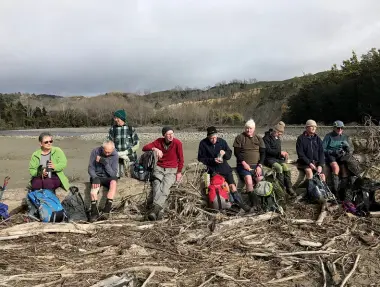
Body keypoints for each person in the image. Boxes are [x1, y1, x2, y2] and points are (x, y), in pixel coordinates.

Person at [198, 126, 251, 212]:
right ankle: (222, 206)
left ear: (217, 135)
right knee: (216, 188)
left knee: (233, 187)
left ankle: (242, 206)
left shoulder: (222, 142)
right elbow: (200, 159)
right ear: (208, 137)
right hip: (212, 170)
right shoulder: (203, 143)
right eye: (211, 138)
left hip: (225, 169)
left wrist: (225, 153)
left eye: (215, 137)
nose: (214, 140)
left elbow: (229, 155)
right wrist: (213, 160)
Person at [142, 126, 184, 221]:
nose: (170, 136)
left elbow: (181, 159)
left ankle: (155, 209)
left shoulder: (177, 143)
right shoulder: (159, 141)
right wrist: (155, 149)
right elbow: (144, 148)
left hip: (171, 169)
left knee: (166, 188)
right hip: (159, 168)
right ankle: (160, 212)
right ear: (164, 135)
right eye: (168, 134)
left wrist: (179, 172)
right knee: (156, 186)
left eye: (172, 134)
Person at [233, 119, 266, 206]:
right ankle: (254, 204)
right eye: (247, 128)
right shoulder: (240, 138)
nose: (248, 130)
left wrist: (260, 166)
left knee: (260, 180)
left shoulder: (258, 138)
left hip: (256, 166)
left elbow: (263, 153)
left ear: (254, 129)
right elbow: (237, 152)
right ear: (245, 128)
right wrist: (244, 163)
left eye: (250, 128)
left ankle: (262, 202)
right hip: (242, 165)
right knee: (248, 180)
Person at [322, 120, 355, 198]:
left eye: (341, 128)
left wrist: (347, 149)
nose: (340, 129)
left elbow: (351, 149)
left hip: (341, 155)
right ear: (334, 128)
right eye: (338, 128)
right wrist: (332, 151)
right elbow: (322, 149)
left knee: (345, 170)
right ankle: (335, 190)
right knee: (336, 167)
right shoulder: (328, 136)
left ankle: (343, 190)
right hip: (331, 155)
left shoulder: (345, 137)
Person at [88, 140, 119, 221]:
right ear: (102, 148)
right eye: (106, 152)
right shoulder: (95, 151)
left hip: (108, 177)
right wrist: (95, 177)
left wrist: (105, 163)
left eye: (109, 152)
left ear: (113, 150)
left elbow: (113, 174)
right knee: (94, 190)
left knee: (114, 183)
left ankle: (106, 211)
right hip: (97, 176)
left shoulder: (115, 155)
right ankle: (94, 212)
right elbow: (90, 168)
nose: (107, 154)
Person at [263, 121, 296, 197]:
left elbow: (278, 151)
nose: (279, 135)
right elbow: (268, 151)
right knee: (279, 168)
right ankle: (281, 190)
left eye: (281, 134)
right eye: (278, 133)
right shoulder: (266, 138)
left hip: (277, 158)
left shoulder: (278, 139)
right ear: (275, 131)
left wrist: (283, 156)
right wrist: (280, 152)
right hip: (268, 159)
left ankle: (289, 187)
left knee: (286, 168)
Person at [107, 109, 140, 177]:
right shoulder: (112, 129)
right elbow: (109, 144)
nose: (115, 119)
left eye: (116, 118)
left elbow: (137, 145)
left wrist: (125, 153)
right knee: (116, 179)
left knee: (130, 179)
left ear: (121, 118)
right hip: (116, 159)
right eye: (115, 118)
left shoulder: (131, 129)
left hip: (130, 159)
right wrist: (117, 153)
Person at [296, 119, 325, 187]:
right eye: (312, 126)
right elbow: (300, 154)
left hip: (316, 163)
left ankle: (322, 193)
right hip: (305, 163)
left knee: (322, 176)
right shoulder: (301, 138)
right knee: (309, 172)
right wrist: (309, 163)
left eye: (315, 126)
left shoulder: (318, 139)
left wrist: (320, 165)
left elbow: (321, 153)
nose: (314, 128)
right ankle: (311, 194)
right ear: (307, 127)